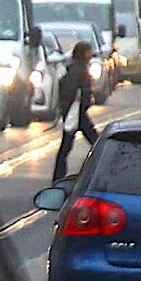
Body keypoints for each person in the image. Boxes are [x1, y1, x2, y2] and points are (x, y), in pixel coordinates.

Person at [52, 40, 99, 182]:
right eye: (89, 51)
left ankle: (58, 177)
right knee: (96, 142)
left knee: (68, 146)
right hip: (76, 111)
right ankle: (97, 173)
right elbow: (73, 90)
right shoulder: (78, 68)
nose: (91, 54)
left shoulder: (76, 66)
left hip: (76, 112)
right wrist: (82, 99)